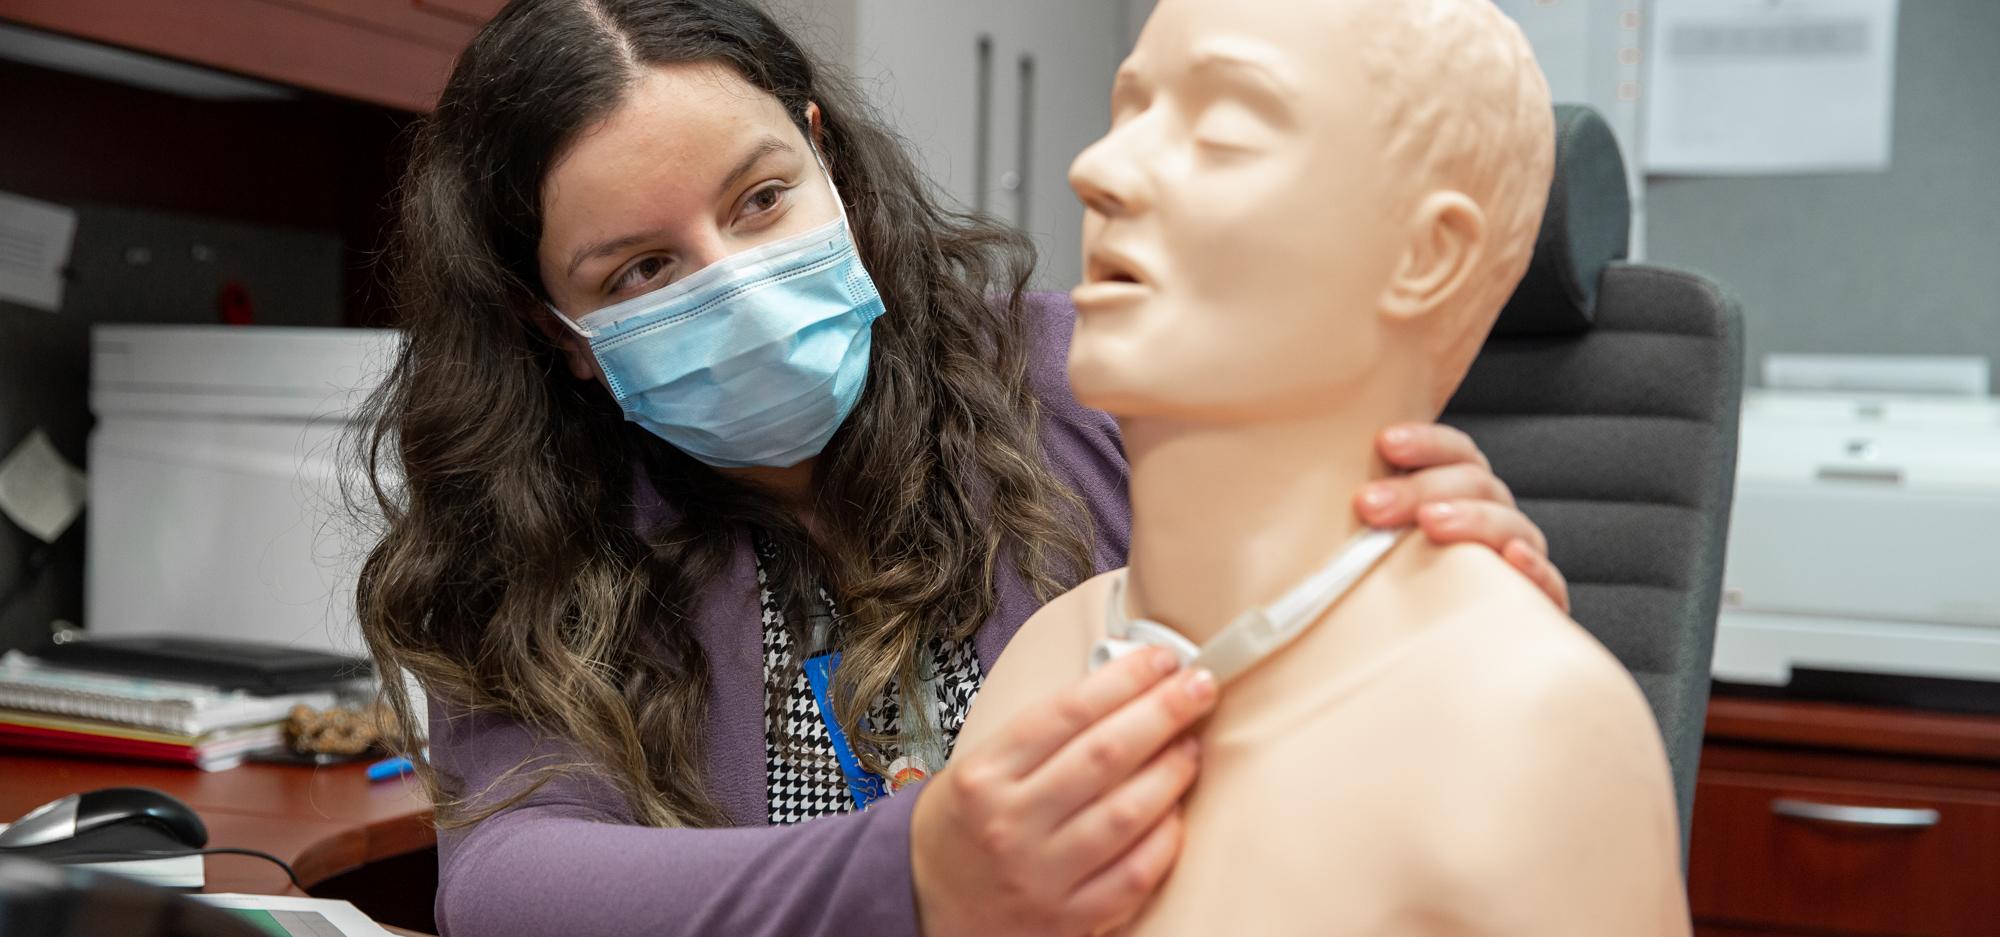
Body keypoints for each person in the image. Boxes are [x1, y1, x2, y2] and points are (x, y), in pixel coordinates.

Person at [354, 2, 1570, 935]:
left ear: (823, 156)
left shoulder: (1100, 381)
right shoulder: (536, 525)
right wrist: (917, 865)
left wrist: (1432, 590)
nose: (732, 279)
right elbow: (514, 882)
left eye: (763, 198)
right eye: (639, 272)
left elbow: (1347, 724)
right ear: (553, 329)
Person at [955, 0, 1690, 933]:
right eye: (1128, 112)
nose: (1096, 169)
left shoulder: (1527, 730)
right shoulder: (1046, 658)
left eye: (1221, 126)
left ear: (1429, 254)